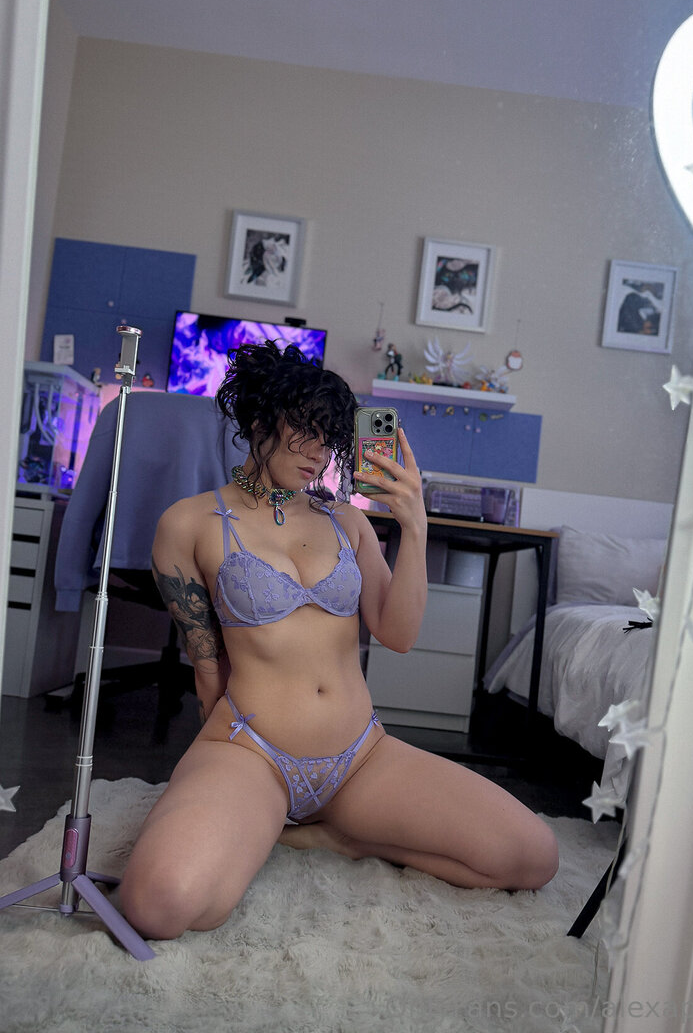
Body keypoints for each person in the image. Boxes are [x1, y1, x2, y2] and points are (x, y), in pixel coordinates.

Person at [119, 342, 558, 940]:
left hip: (360, 757)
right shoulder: (188, 523)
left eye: (328, 438)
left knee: (533, 856)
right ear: (259, 419)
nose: (318, 451)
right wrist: (219, 789)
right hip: (252, 751)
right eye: (304, 429)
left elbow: (398, 634)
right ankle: (264, 821)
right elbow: (206, 663)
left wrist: (414, 526)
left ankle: (343, 838)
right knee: (159, 906)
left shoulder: (347, 520)